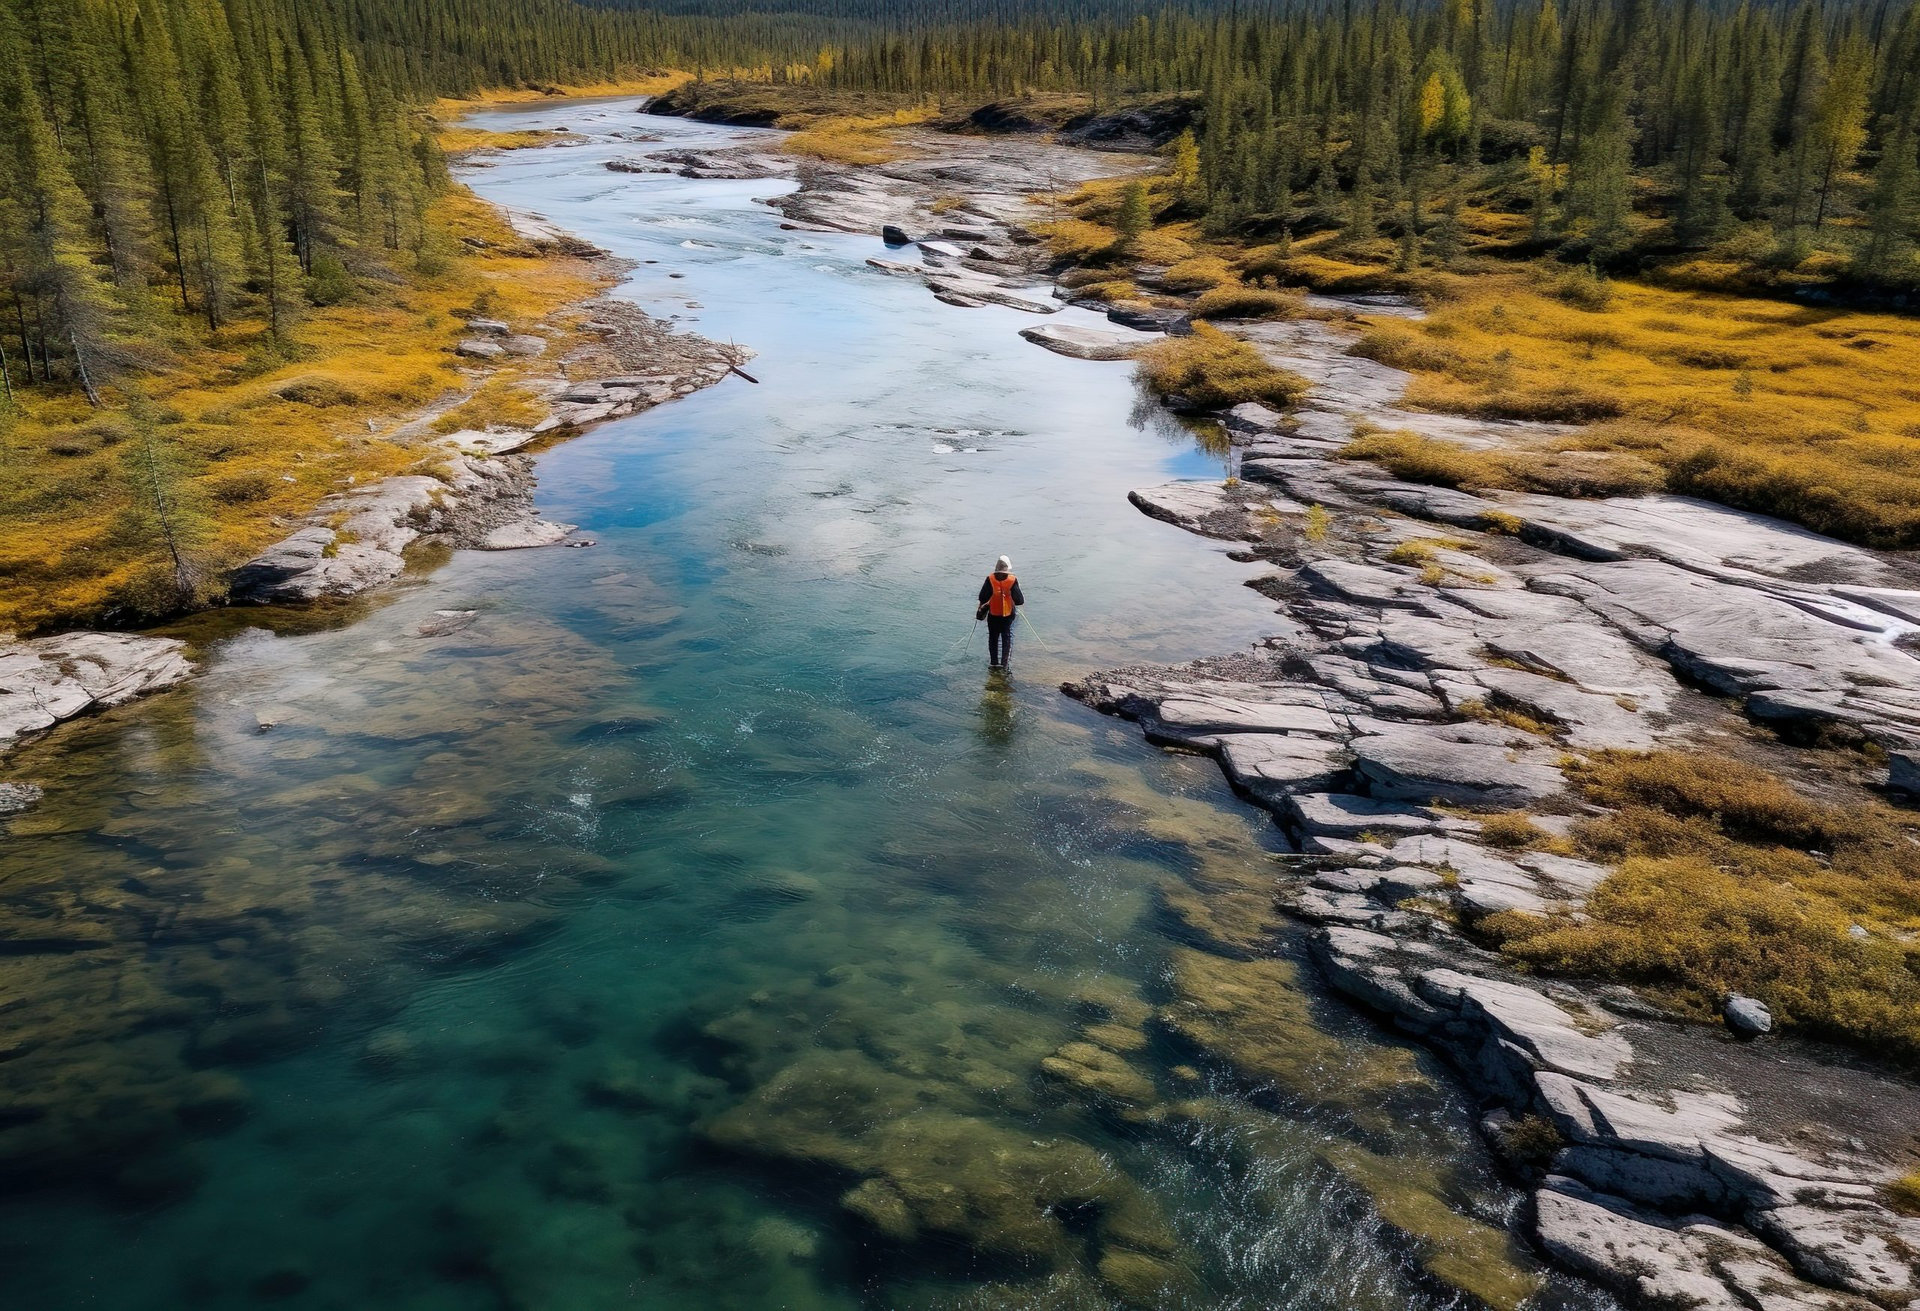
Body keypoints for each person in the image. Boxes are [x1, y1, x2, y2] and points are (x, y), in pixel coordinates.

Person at [976, 555, 1024, 671]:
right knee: (1006, 637)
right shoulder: (1012, 580)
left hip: (993, 614)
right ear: (1007, 569)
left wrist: (981, 608)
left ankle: (993, 663)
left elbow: (983, 597)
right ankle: (1004, 664)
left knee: (993, 638)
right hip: (1007, 615)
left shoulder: (990, 579)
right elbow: (1019, 601)